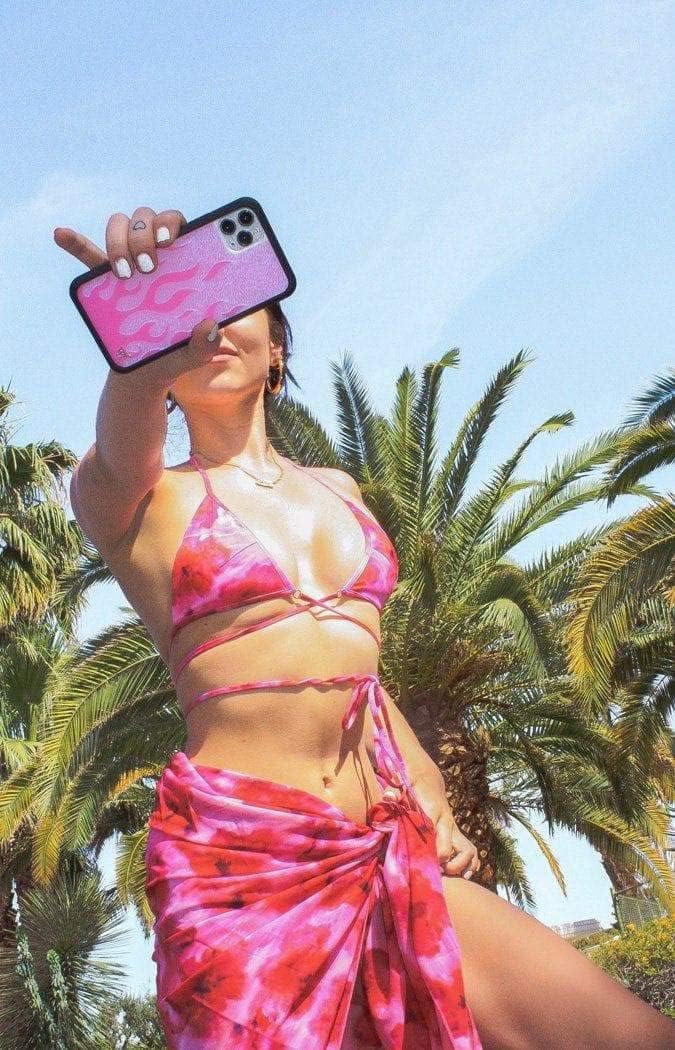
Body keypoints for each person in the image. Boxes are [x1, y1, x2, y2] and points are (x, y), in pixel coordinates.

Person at [57, 207, 675, 1050]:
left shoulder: (340, 491)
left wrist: (425, 782)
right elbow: (121, 445)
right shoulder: (140, 498)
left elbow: (353, 670)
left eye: (229, 302)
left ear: (278, 348)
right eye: (183, 310)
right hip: (243, 864)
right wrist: (138, 344)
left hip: (381, 844)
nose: (208, 323)